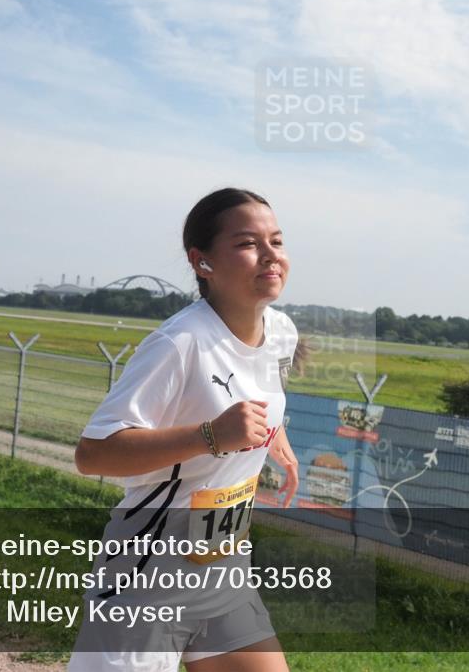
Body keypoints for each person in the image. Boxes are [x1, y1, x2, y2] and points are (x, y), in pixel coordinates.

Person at [68, 188, 299, 672]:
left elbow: (252, 394)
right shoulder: (179, 342)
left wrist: (273, 433)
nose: (271, 254)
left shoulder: (281, 333)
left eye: (276, 241)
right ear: (202, 262)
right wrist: (211, 436)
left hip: (223, 566)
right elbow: (93, 454)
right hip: (147, 573)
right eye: (248, 243)